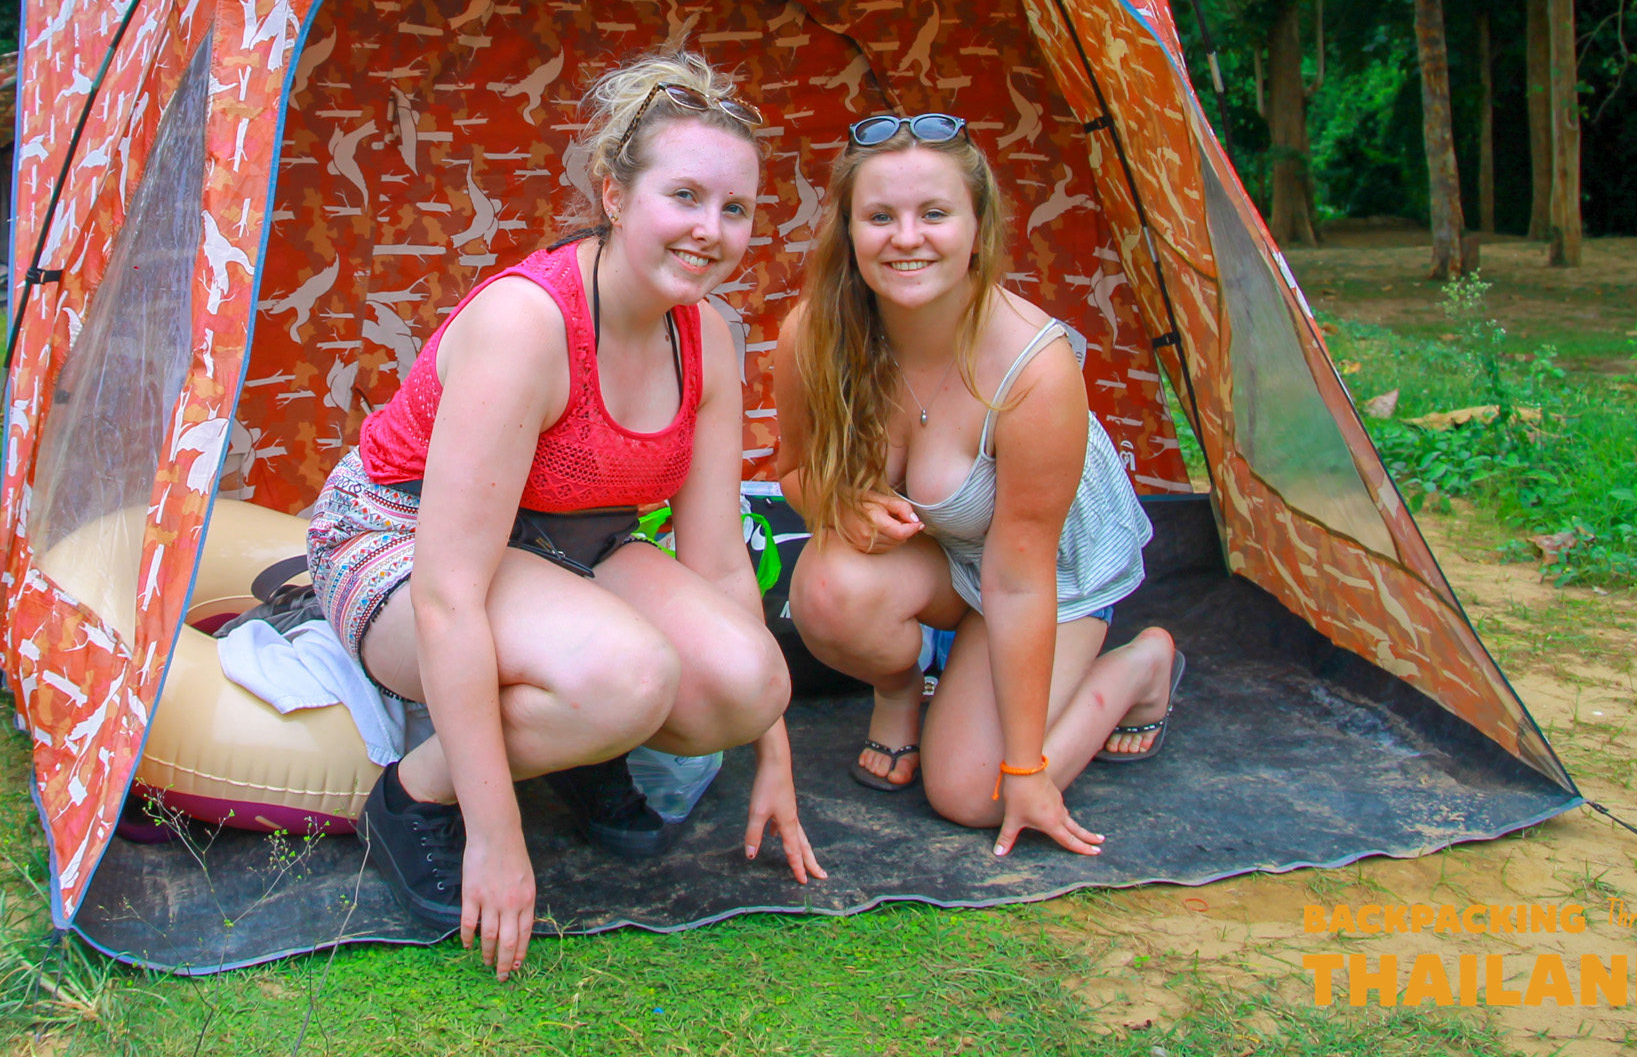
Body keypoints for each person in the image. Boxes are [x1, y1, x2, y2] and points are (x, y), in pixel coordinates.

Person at [307, 51, 820, 979]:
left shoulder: (710, 335)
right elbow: (451, 592)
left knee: (747, 678)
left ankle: (585, 747)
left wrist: (771, 746)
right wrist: (495, 837)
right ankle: (415, 796)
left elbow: (715, 561)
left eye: (735, 208)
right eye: (685, 196)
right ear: (614, 194)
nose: (711, 230)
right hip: (399, 535)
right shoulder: (527, 323)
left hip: (567, 542)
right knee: (628, 675)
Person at [772, 113, 1182, 862]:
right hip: (945, 550)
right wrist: (841, 504)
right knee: (826, 586)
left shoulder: (1035, 367)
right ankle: (901, 696)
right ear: (848, 228)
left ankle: (1141, 666)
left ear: (977, 224)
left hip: (1046, 571)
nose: (907, 237)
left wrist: (1027, 768)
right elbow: (793, 470)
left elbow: (1020, 577)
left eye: (933, 213)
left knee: (971, 794)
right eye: (880, 216)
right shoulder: (814, 334)